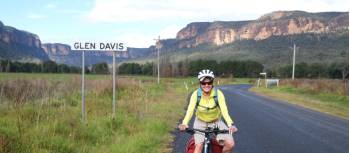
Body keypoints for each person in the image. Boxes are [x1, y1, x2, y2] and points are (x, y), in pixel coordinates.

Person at [178, 69, 238, 153]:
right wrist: (184, 123)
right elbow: (190, 110)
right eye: (203, 83)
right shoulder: (195, 95)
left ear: (212, 82)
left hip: (216, 122)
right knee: (198, 146)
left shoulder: (218, 94)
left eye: (209, 83)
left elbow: (224, 111)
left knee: (230, 144)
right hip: (200, 122)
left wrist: (230, 124)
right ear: (200, 83)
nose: (206, 85)